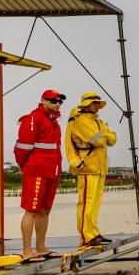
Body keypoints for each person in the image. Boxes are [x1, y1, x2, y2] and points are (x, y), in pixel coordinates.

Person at [14, 90, 66, 263]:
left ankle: (41, 248)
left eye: (60, 101)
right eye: (53, 100)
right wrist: (27, 167)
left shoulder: (53, 122)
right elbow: (22, 148)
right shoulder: (33, 118)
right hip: (36, 172)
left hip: (52, 172)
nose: (57, 103)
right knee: (31, 210)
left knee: (45, 211)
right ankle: (27, 250)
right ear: (43, 100)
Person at [65, 92, 117, 247]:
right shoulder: (81, 120)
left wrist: (105, 135)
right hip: (87, 166)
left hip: (100, 167)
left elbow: (112, 140)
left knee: (95, 203)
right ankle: (86, 236)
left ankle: (93, 233)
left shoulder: (97, 121)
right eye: (94, 103)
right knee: (86, 203)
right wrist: (105, 134)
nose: (97, 106)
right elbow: (99, 141)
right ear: (86, 104)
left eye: (97, 103)